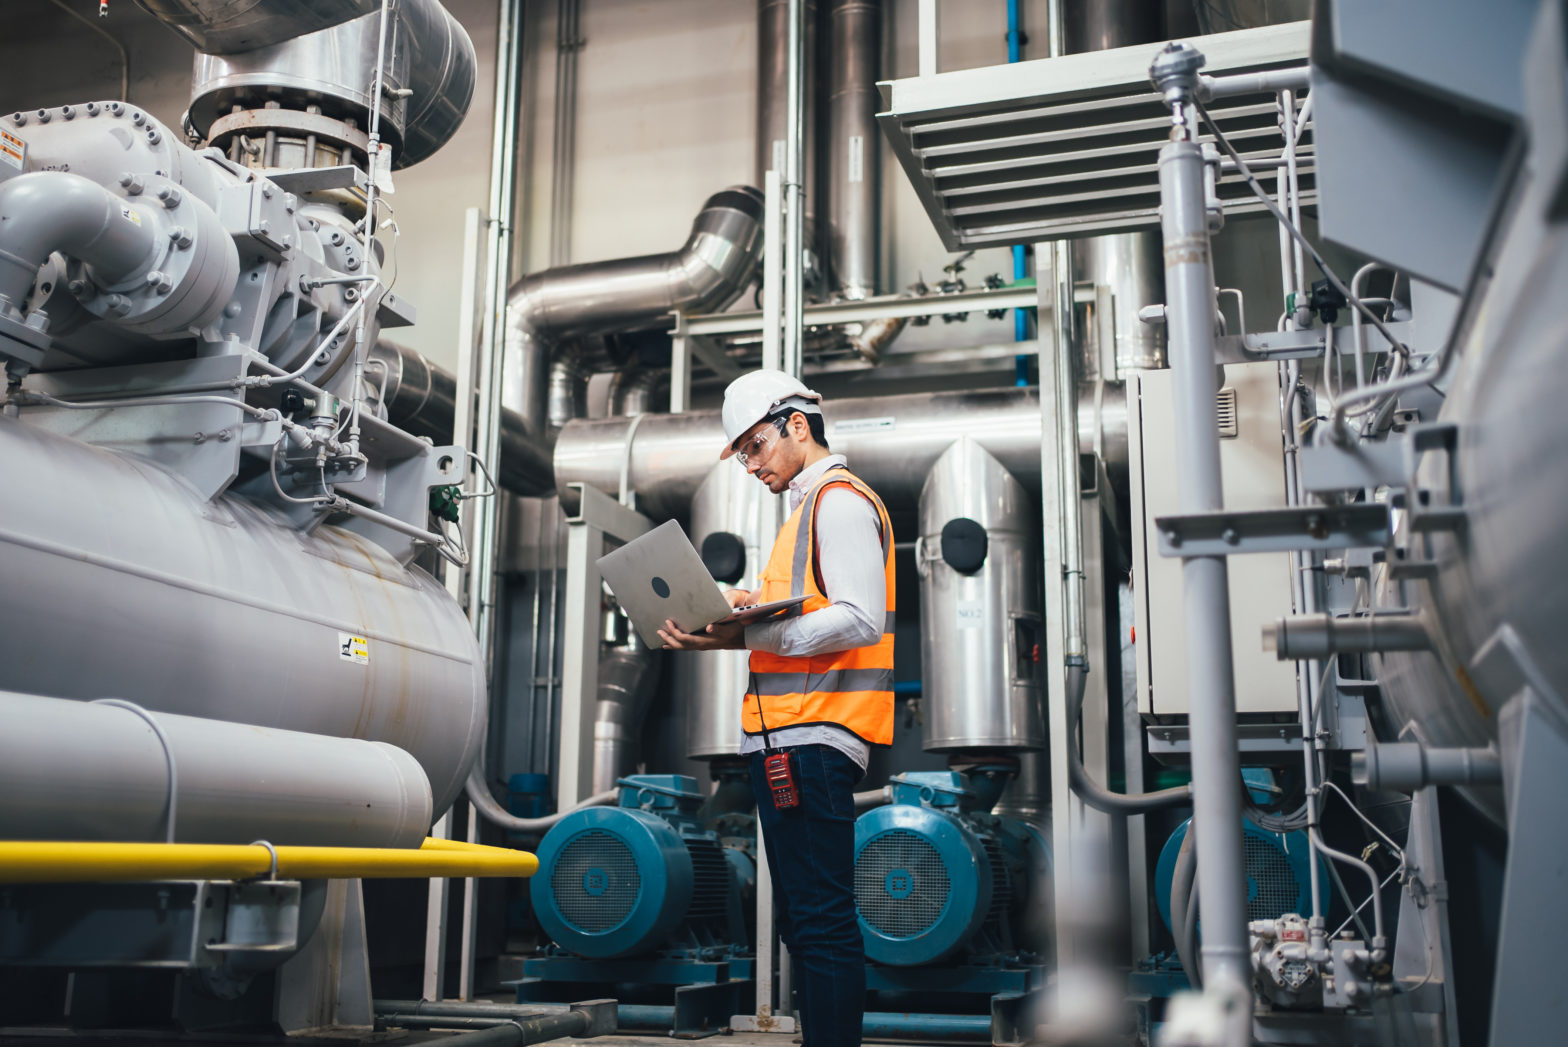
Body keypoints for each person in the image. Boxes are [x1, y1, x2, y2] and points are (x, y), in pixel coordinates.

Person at [658, 369, 895, 1047]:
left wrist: (747, 630)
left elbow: (858, 618)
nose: (752, 466)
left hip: (814, 739)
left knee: (819, 921)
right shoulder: (806, 512)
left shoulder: (839, 502)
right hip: (790, 739)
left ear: (797, 424)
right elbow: (794, 624)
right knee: (803, 920)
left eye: (755, 447)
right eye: (741, 456)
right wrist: (727, 619)